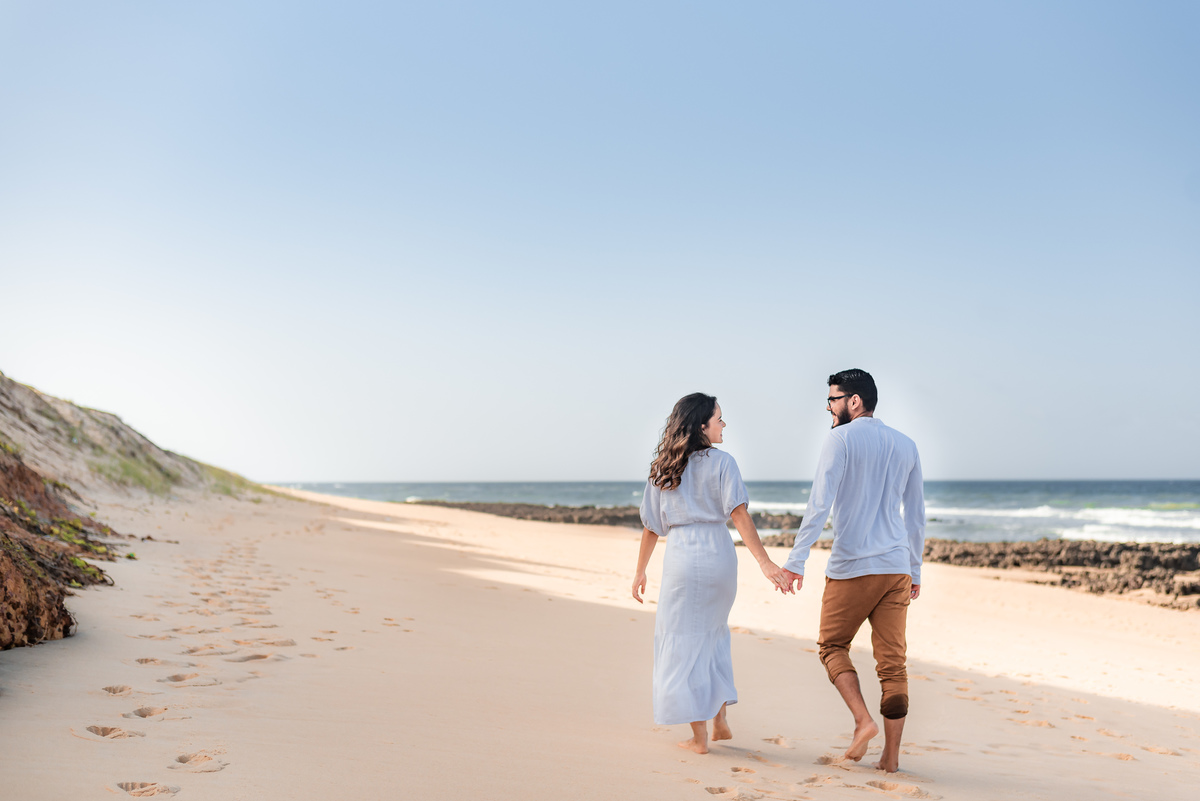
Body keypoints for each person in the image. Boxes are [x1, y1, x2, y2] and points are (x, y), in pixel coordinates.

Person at [779, 369, 925, 774]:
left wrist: (796, 560)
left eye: (832, 399)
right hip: (896, 567)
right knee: (893, 664)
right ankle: (891, 759)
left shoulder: (839, 439)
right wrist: (915, 568)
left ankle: (863, 721)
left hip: (853, 567)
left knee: (832, 646)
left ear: (854, 401)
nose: (828, 407)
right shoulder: (907, 445)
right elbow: (915, 516)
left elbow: (819, 504)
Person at [632, 392, 792, 755]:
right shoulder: (724, 463)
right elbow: (738, 515)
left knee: (684, 639)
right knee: (713, 634)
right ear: (702, 425)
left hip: (684, 557)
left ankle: (699, 737)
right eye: (719, 418)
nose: (723, 425)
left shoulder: (663, 467)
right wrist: (764, 563)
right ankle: (718, 717)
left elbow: (651, 527)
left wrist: (640, 571)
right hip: (720, 553)